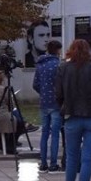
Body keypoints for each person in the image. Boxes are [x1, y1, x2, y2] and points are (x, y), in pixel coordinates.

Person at [54, 39, 91, 181]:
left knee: (71, 156)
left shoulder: (63, 68)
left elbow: (58, 93)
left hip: (72, 116)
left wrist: (66, 105)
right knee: (87, 158)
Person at [32, 39, 62, 174]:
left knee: (44, 133)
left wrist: (43, 92)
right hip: (56, 103)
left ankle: (43, 163)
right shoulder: (59, 65)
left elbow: (35, 84)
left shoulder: (40, 65)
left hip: (44, 102)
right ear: (57, 50)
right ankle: (53, 163)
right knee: (55, 134)